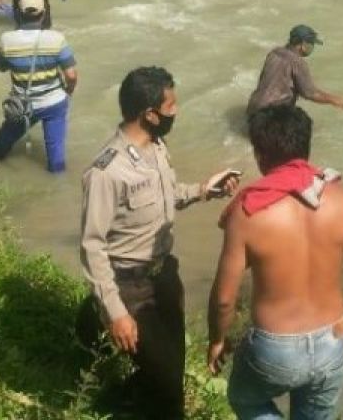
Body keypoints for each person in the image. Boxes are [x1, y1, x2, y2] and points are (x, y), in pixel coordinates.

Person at [79, 66, 240, 420]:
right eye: (171, 106)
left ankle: (134, 395)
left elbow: (164, 195)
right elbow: (92, 247)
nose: (176, 111)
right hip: (129, 286)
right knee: (169, 389)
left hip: (164, 274)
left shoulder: (156, 146)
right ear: (149, 114)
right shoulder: (107, 172)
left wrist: (202, 191)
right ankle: (97, 323)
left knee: (171, 367)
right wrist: (116, 312)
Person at [207, 105, 343, 420]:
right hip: (333, 340)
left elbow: (224, 299)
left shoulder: (248, 212)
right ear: (306, 147)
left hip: (274, 349)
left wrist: (217, 340)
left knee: (245, 400)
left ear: (259, 154)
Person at [0, 0, 77, 172]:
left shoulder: (6, 40)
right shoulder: (57, 39)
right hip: (54, 103)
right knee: (56, 156)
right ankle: (58, 186)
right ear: (43, 14)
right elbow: (72, 75)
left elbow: (2, 67)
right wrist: (68, 91)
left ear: (18, 14)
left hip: (22, 105)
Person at [246, 25, 343, 117]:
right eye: (311, 44)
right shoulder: (297, 62)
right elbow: (310, 93)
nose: (312, 47)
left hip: (253, 108)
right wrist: (335, 100)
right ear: (303, 45)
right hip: (272, 114)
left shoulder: (274, 53)